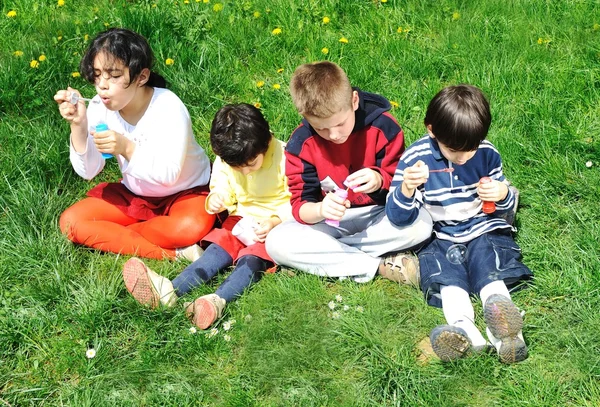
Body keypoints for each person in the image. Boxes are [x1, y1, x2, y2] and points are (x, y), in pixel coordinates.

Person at [386, 84, 533, 364]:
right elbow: (398, 218)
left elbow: (503, 206)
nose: (465, 157)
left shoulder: (488, 154)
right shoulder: (415, 160)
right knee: (449, 280)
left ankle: (508, 335)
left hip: (482, 227)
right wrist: (406, 189)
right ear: (431, 130)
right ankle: (465, 333)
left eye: (471, 149)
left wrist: (501, 194)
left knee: (491, 272)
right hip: (440, 236)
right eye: (454, 150)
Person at [122, 103, 291, 329]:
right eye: (238, 168)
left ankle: (216, 301)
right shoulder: (228, 159)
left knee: (252, 261)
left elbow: (297, 199)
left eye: (251, 164)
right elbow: (221, 184)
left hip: (273, 226)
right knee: (217, 250)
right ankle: (171, 290)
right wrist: (217, 198)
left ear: (266, 142)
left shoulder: (286, 158)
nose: (246, 171)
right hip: (240, 219)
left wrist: (275, 220)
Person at [265, 61, 432, 284]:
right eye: (321, 128)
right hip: (330, 223)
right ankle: (377, 266)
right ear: (305, 116)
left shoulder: (383, 127)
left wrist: (379, 180)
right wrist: (321, 209)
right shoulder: (300, 144)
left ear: (354, 101)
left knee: (423, 224)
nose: (333, 135)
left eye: (340, 124)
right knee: (276, 242)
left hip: (380, 213)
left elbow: (401, 185)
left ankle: (327, 257)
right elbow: (299, 206)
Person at [54, 28, 214, 260]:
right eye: (97, 75)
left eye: (114, 75)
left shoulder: (168, 107)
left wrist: (127, 148)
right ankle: (171, 254)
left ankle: (118, 236)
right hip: (137, 194)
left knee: (187, 228)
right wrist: (78, 125)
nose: (102, 85)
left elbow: (169, 175)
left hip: (185, 191)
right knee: (70, 222)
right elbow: (88, 171)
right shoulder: (99, 107)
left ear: (142, 77)